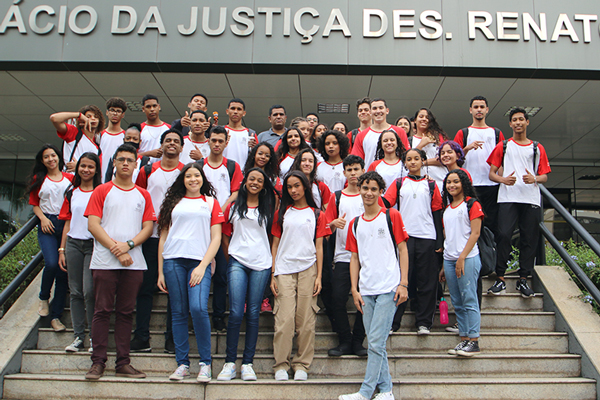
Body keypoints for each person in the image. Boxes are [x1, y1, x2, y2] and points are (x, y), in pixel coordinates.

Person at [84, 143, 155, 380]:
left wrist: (130, 246)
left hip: (134, 263)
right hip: (104, 261)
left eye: (130, 160)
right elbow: (93, 225)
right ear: (114, 162)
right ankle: (98, 362)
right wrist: (117, 249)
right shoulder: (101, 190)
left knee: (125, 312)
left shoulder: (143, 194)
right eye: (121, 159)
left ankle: (123, 362)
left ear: (136, 164)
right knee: (102, 311)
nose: (125, 163)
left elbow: (148, 227)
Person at [339, 171, 409, 400]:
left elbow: (402, 250)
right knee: (376, 342)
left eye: (373, 189)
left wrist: (403, 284)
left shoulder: (392, 215)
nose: (368, 193)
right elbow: (355, 258)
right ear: (359, 190)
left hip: (388, 287)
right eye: (365, 188)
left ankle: (366, 391)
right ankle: (387, 389)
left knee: (376, 342)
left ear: (380, 192)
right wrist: (354, 289)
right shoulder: (355, 223)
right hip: (366, 290)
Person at [156, 163, 224, 382]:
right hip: (173, 261)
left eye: (197, 175)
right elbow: (163, 238)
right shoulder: (173, 203)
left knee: (198, 308)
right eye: (188, 176)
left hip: (199, 262)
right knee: (178, 312)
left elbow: (216, 238)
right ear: (182, 180)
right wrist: (160, 271)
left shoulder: (211, 203)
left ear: (203, 178)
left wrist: (203, 266)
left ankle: (205, 363)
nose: (193, 179)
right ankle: (182, 364)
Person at [217, 168, 277, 381]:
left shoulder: (270, 207)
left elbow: (273, 238)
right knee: (234, 312)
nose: (255, 182)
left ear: (263, 186)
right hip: (237, 262)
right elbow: (225, 235)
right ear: (245, 182)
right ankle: (230, 362)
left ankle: (248, 363)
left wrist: (271, 265)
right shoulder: (234, 206)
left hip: (261, 263)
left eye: (260, 180)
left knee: (253, 313)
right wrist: (232, 257)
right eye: (252, 178)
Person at [271, 171, 330, 381]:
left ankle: (302, 364)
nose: (293, 190)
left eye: (297, 186)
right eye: (289, 187)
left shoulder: (317, 214)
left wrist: (319, 276)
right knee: (284, 319)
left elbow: (319, 246)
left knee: (305, 321)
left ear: (305, 186)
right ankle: (281, 364)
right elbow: (275, 244)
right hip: (284, 269)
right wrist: (272, 273)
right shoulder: (282, 213)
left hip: (308, 269)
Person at [486, 108, 551, 298]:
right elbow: (491, 173)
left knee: (529, 238)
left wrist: (535, 179)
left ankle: (523, 278)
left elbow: (545, 176)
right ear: (510, 124)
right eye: (514, 120)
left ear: (527, 122)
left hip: (530, 197)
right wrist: (503, 179)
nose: (518, 123)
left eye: (521, 119)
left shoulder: (537, 147)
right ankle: (500, 278)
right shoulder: (503, 146)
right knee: (504, 235)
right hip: (507, 197)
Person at [132, 129, 185, 353]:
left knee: (175, 290)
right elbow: (139, 198)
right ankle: (141, 337)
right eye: (168, 141)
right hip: (150, 236)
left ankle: (172, 339)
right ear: (161, 145)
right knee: (144, 288)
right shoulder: (147, 170)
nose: (172, 144)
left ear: (182, 147)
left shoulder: (188, 171)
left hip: (177, 237)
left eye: (176, 141)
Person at [383, 148, 443, 334]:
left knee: (427, 281)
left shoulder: (432, 185)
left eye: (417, 158)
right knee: (402, 279)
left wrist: (440, 240)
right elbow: (385, 204)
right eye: (409, 159)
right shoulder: (399, 183)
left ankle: (424, 322)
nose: (413, 162)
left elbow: (437, 213)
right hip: (404, 238)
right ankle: (394, 323)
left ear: (423, 161)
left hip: (428, 237)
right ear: (405, 163)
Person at [201, 125, 244, 332]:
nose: (217, 144)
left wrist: (222, 207)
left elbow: (236, 191)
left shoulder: (233, 166)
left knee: (221, 275)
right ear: (207, 141)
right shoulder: (198, 165)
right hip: (201, 226)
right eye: (213, 140)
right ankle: (198, 316)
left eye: (221, 141)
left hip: (224, 226)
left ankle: (218, 317)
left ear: (226, 143)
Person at [58, 152, 102, 352]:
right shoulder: (71, 191)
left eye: (90, 166)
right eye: (82, 166)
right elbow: (68, 221)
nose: (86, 170)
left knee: (89, 291)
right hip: (73, 243)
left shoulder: (101, 191)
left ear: (96, 170)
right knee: (75, 292)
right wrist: (62, 249)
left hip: (93, 244)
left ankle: (94, 337)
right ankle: (78, 337)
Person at [27, 144, 73, 331]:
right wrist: (43, 219)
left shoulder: (70, 178)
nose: (51, 159)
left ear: (58, 157)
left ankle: (56, 317)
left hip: (66, 224)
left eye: (53, 155)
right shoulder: (39, 179)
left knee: (63, 272)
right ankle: (44, 296)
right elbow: (34, 203)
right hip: (47, 225)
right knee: (52, 263)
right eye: (46, 157)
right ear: (42, 161)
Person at [325, 155, 367, 357]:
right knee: (337, 299)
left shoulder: (369, 195)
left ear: (363, 170)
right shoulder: (337, 196)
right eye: (349, 170)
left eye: (356, 169)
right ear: (344, 173)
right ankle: (344, 340)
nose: (353, 173)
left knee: (365, 300)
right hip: (342, 256)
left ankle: (358, 341)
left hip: (367, 258)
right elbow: (325, 228)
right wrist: (333, 224)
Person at [440, 169, 484, 356]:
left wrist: (462, 257)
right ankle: (464, 339)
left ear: (463, 183)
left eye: (456, 181)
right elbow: (447, 237)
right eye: (449, 182)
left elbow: (475, 233)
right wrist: (444, 264)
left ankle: (474, 340)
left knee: (469, 298)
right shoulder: (447, 209)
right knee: (457, 301)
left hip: (467, 258)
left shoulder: (471, 204)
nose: (452, 185)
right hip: (449, 259)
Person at [454, 96, 505, 237]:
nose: (479, 110)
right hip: (471, 185)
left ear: (487, 110)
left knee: (492, 225)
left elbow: (501, 159)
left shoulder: (496, 133)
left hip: (492, 185)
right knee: (470, 223)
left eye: (482, 107)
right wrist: (467, 148)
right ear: (470, 110)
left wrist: (502, 180)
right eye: (476, 107)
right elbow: (454, 158)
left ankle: (489, 256)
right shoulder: (463, 133)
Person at [351, 98, 409, 170]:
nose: (378, 111)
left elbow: (407, 156)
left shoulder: (399, 132)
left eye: (381, 108)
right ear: (370, 112)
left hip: (397, 178)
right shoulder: (361, 135)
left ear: (387, 110)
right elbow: (356, 162)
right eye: (374, 108)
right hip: (370, 178)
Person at [50, 105, 104, 173]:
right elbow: (54, 118)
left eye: (96, 117)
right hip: (70, 180)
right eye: (88, 117)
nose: (93, 118)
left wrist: (79, 166)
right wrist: (78, 115)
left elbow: (98, 171)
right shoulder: (74, 133)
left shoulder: (97, 146)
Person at [411, 108, 450, 193]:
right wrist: (422, 144)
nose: (424, 119)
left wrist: (422, 163)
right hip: (419, 182)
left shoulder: (439, 137)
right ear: (415, 120)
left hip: (440, 180)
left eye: (427, 117)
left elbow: (446, 158)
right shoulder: (409, 140)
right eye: (421, 116)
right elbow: (409, 159)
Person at [223, 98, 257, 167]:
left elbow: (257, 157)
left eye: (239, 109)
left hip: (243, 174)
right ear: (227, 111)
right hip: (223, 173)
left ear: (244, 113)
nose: (235, 111)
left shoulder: (250, 133)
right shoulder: (221, 131)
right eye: (232, 108)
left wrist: (254, 148)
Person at [100, 98, 127, 182]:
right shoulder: (99, 135)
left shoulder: (126, 136)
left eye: (118, 111)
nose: (115, 113)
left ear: (123, 114)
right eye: (112, 110)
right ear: (107, 112)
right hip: (99, 180)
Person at [138, 94, 171, 163]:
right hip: (142, 169)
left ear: (159, 107)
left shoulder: (169, 128)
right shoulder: (138, 129)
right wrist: (149, 153)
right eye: (148, 107)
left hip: (163, 169)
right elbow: (131, 155)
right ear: (143, 109)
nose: (152, 109)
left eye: (154, 106)